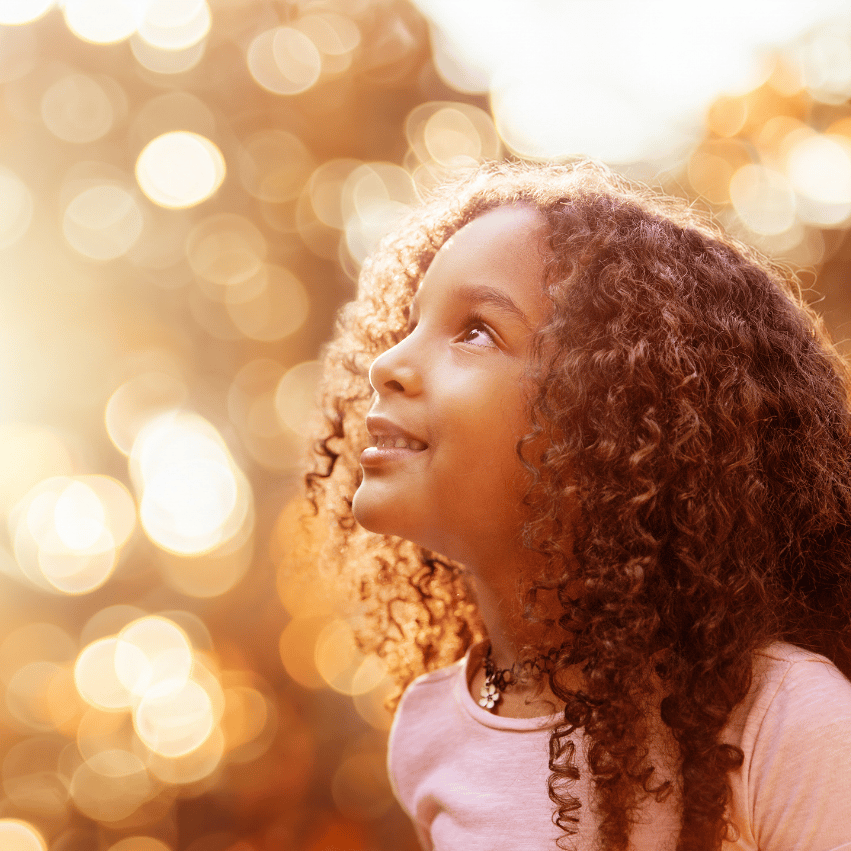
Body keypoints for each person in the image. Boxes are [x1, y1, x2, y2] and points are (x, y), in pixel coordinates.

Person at [305, 160, 851, 851]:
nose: (388, 363)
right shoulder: (429, 731)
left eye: (475, 330)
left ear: (611, 424)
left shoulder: (788, 722)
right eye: (410, 323)